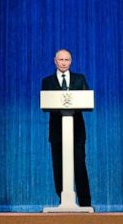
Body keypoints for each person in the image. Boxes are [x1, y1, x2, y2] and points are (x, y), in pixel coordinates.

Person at [41, 49, 91, 207]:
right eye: (61, 59)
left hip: (76, 132)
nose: (64, 62)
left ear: (71, 61)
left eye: (67, 60)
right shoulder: (47, 81)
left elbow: (86, 99)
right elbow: (45, 102)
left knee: (79, 166)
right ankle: (64, 201)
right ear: (55, 61)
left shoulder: (80, 79)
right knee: (58, 167)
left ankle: (85, 204)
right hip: (57, 132)